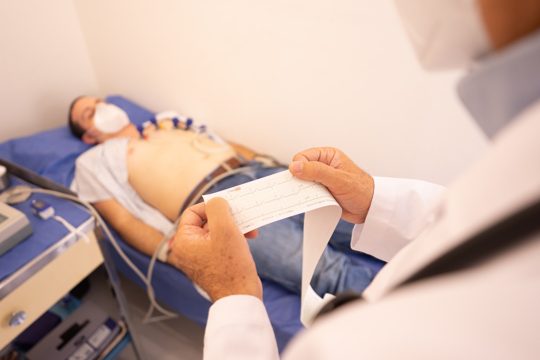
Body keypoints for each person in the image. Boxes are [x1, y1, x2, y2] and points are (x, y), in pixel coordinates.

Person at [166, 0, 540, 358]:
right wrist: (373, 198)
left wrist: (232, 297)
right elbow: (467, 223)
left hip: (251, 173)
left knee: (331, 250)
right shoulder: (109, 162)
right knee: (324, 267)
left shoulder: (169, 122)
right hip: (201, 202)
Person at [68, 96, 384, 298]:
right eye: (90, 112)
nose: (103, 108)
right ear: (87, 135)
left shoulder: (164, 121)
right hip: (222, 206)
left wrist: (271, 163)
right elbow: (122, 220)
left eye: (101, 101)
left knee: (359, 220)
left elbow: (222, 142)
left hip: (258, 173)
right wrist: (175, 254)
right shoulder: (94, 162)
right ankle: (399, 313)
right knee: (326, 269)